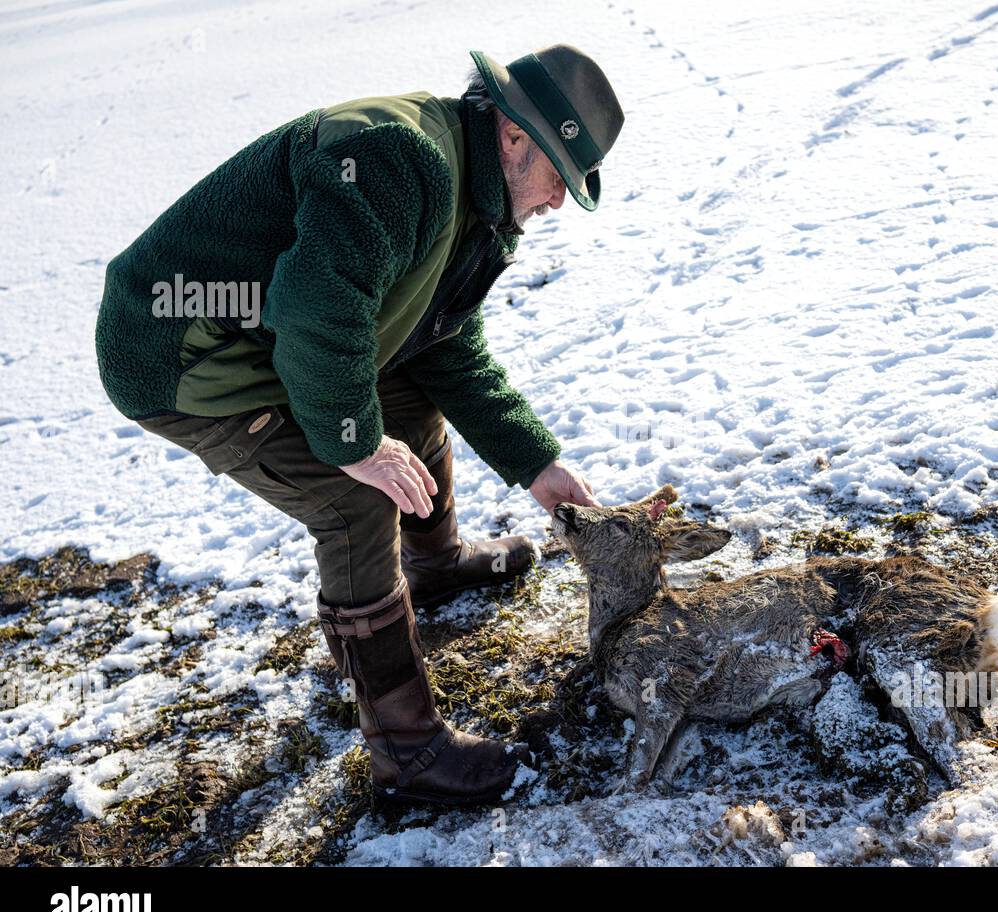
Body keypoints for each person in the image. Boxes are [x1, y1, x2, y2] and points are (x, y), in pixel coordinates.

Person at [94, 45, 625, 805]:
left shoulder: (473, 198)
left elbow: (443, 341)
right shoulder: (398, 159)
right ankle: (406, 755)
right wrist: (354, 442)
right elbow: (315, 308)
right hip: (179, 344)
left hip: (273, 332)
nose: (558, 203)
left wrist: (539, 464)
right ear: (513, 136)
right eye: (560, 180)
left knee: (407, 396)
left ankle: (433, 565)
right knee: (353, 497)